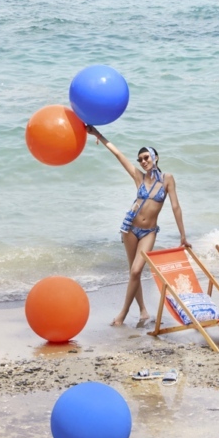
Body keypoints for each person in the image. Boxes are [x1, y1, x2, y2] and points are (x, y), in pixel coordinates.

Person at [86, 125, 190, 326]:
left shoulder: (167, 179)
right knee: (133, 270)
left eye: (146, 157)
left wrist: (183, 236)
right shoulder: (139, 177)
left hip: (149, 232)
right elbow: (118, 154)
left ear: (155, 157)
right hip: (130, 228)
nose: (143, 162)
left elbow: (176, 207)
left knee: (136, 270)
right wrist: (98, 135)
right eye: (140, 159)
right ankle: (143, 310)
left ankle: (122, 314)